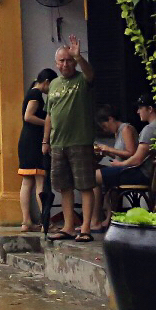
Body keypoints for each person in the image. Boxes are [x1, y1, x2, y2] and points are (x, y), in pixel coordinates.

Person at [40, 38, 99, 242]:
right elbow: (49, 115)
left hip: (80, 141)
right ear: (56, 63)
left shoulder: (82, 79)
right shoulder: (54, 85)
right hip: (58, 143)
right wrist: (45, 141)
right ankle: (68, 227)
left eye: (69, 60)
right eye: (62, 61)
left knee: (85, 185)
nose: (65, 64)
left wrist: (79, 57)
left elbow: (91, 74)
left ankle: (86, 228)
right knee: (64, 187)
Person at [17, 68, 56, 234]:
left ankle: (26, 221)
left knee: (27, 182)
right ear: (46, 82)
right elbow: (28, 116)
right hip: (34, 141)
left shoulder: (31, 92)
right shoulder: (35, 94)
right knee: (40, 180)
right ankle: (45, 221)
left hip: (26, 141)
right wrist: (47, 123)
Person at [99, 99, 156, 207]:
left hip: (140, 172)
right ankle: (110, 213)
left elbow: (135, 157)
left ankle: (95, 216)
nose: (138, 112)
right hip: (136, 170)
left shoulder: (147, 129)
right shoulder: (155, 126)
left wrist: (119, 162)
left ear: (150, 109)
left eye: (140, 108)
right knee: (100, 176)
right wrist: (106, 152)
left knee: (93, 177)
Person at [91, 103, 139, 228]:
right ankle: (107, 217)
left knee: (94, 178)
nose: (105, 130)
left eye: (104, 126)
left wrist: (109, 149)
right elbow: (120, 155)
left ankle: (95, 220)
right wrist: (106, 152)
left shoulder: (126, 129)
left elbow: (131, 153)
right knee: (92, 171)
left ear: (111, 119)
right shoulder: (118, 132)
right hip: (121, 167)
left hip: (130, 170)